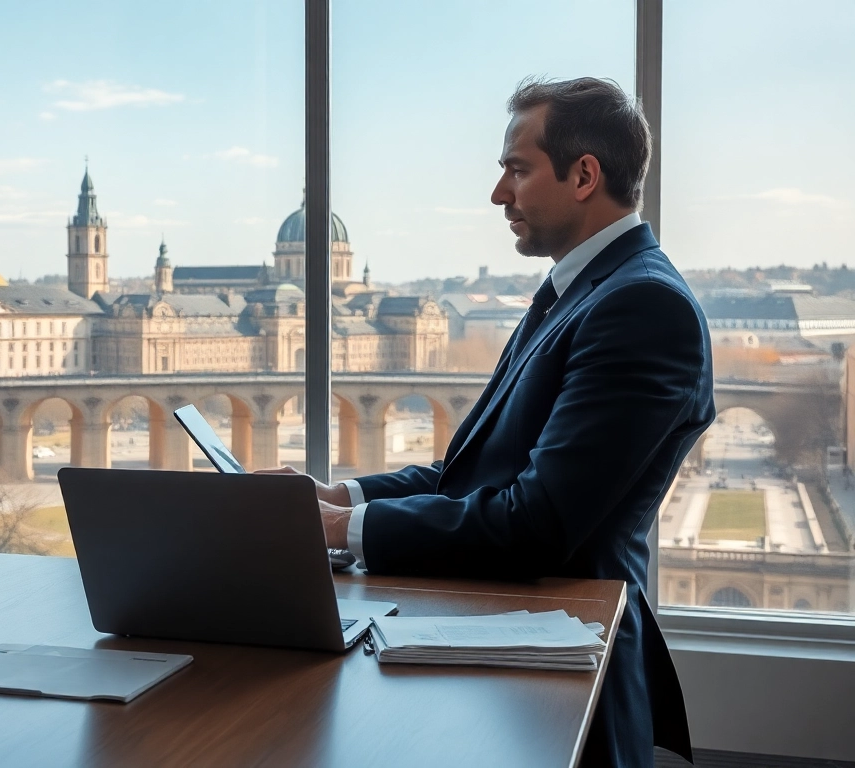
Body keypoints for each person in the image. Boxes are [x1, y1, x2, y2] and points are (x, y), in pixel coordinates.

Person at [262, 77, 712, 768]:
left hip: (563, 683)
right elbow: (470, 473)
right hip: (514, 659)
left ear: (584, 176)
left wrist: (335, 529)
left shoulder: (642, 307)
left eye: (517, 170)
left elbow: (536, 522)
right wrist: (338, 496)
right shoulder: (581, 292)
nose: (499, 193)